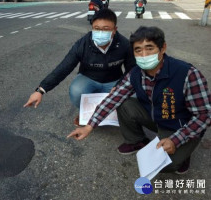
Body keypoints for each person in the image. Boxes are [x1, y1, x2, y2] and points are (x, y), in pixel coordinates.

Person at [68, 26, 211, 174]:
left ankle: (184, 153)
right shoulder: (135, 73)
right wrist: (89, 126)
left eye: (149, 48)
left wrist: (176, 140)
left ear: (163, 48)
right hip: (157, 117)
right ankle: (136, 140)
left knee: (164, 165)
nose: (144, 55)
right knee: (122, 101)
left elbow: (204, 115)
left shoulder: (187, 74)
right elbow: (113, 98)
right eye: (138, 50)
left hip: (179, 125)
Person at [24, 9, 136, 126]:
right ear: (92, 28)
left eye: (106, 29)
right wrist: (40, 90)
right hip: (88, 78)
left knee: (133, 94)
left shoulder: (124, 44)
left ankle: (117, 114)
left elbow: (132, 69)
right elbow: (64, 67)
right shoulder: (82, 44)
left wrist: (120, 85)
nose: (100, 32)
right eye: (96, 28)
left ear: (114, 30)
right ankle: (86, 113)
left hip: (114, 81)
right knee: (77, 91)